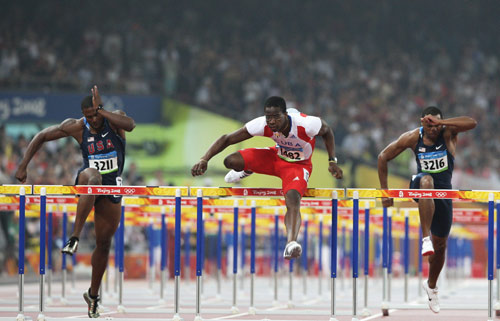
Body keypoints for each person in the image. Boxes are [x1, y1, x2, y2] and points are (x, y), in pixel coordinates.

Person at [15, 85, 136, 318]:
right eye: (89, 116)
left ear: (100, 109)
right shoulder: (78, 127)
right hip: (88, 180)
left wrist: (102, 111)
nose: (94, 120)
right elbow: (42, 136)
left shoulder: (114, 120)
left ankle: (93, 295)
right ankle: (75, 237)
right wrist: (23, 165)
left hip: (112, 187)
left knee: (104, 245)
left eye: (96, 114)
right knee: (92, 175)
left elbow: (130, 125)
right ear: (83, 114)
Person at [191, 96, 343, 259]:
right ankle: (247, 168)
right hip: (275, 157)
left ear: (286, 115)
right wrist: (204, 159)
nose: (271, 122)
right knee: (230, 161)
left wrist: (332, 160)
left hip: (297, 166)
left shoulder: (306, 124)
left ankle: (291, 243)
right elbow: (227, 138)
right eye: (268, 117)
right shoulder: (263, 124)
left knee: (292, 197)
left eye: (276, 117)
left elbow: (327, 132)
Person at [377, 106, 476, 313]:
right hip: (420, 185)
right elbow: (382, 157)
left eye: (435, 125)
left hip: (444, 194)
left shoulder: (447, 132)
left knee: (441, 246)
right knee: (427, 181)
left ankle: (431, 286)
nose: (433, 130)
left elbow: (472, 122)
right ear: (422, 122)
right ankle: (424, 239)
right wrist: (384, 192)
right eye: (429, 125)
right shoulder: (413, 137)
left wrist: (441, 122)